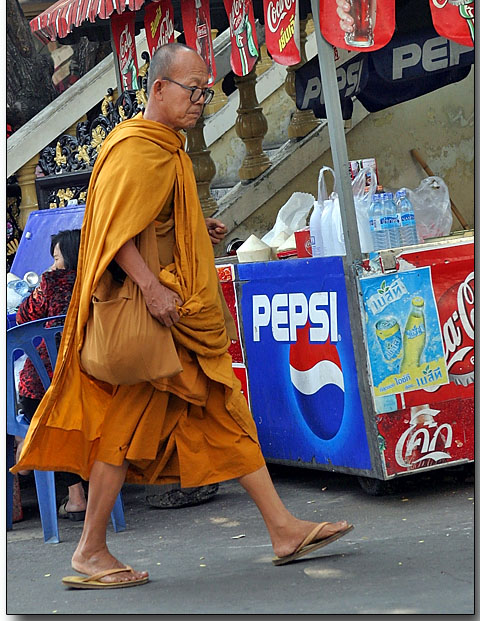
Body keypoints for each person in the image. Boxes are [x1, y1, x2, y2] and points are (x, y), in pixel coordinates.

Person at [13, 43, 352, 589]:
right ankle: (91, 549)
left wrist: (195, 225)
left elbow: (154, 218)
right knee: (171, 417)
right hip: (157, 321)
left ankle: (281, 529)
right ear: (158, 90)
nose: (200, 100)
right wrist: (149, 288)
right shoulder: (136, 149)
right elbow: (113, 233)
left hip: (174, 322)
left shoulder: (165, 148)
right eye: (192, 90)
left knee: (218, 407)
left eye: (205, 91)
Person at [15, 229, 87, 520]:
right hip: (91, 382)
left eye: (56, 257)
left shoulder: (49, 283)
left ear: (66, 257)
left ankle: (75, 495)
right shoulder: (96, 281)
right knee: (72, 419)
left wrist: (44, 281)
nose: (53, 263)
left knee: (42, 415)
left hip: (47, 389)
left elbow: (23, 317)